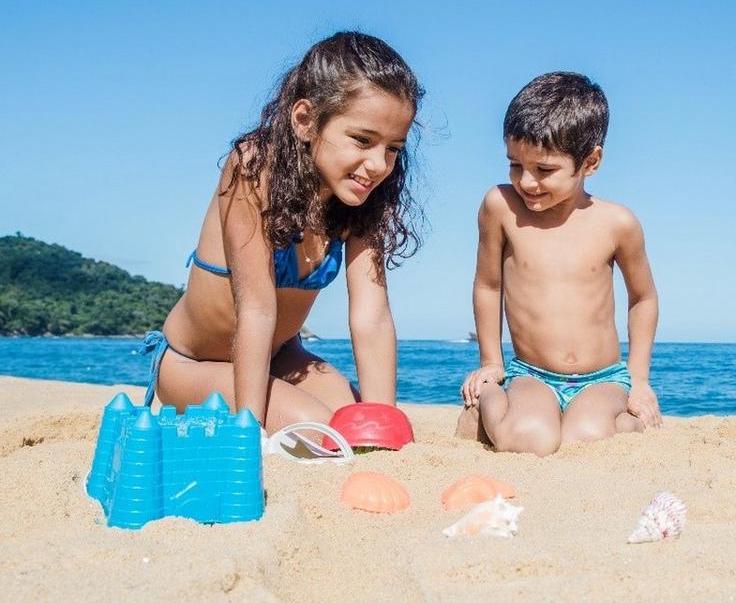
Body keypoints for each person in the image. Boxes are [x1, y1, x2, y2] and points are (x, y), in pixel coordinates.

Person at [142, 31, 424, 432]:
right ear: (305, 120)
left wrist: (382, 429)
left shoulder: (363, 198)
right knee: (313, 426)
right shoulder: (254, 168)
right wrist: (249, 431)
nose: (379, 164)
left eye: (393, 148)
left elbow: (371, 316)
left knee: (352, 422)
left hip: (283, 356)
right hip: (193, 363)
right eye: (362, 140)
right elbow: (255, 308)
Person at [457, 72, 661, 456]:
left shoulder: (617, 223)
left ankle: (627, 419)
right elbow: (488, 285)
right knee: (529, 440)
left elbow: (643, 298)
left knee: (587, 440)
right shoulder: (499, 207)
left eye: (544, 170)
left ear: (591, 161)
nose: (527, 182)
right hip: (531, 374)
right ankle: (485, 403)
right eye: (515, 165)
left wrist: (639, 379)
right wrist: (490, 362)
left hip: (602, 378)